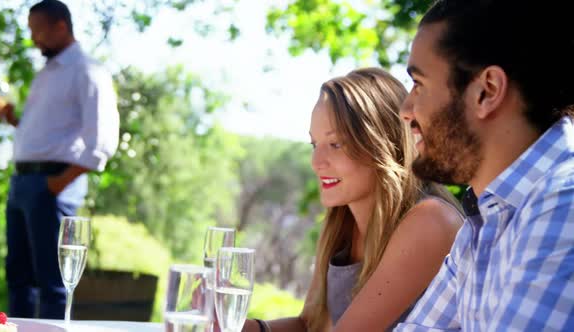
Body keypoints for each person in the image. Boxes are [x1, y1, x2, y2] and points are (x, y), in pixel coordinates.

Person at [394, 0, 574, 330]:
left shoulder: (564, 204)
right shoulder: (486, 223)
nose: (406, 109)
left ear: (486, 91)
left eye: (419, 84)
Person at [240, 68, 463, 332]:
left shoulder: (429, 220)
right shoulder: (341, 223)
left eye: (336, 145)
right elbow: (311, 324)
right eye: (314, 144)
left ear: (382, 145)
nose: (316, 162)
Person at [0, 0, 119, 319]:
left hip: (52, 186)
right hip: (21, 185)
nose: (33, 39)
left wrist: (56, 185)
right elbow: (49, 135)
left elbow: (101, 140)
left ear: (60, 26)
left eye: (38, 31)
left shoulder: (87, 71)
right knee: (18, 280)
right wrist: (14, 120)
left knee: (52, 283)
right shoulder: (46, 74)